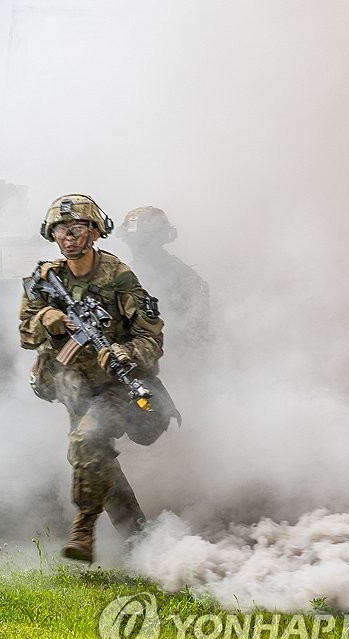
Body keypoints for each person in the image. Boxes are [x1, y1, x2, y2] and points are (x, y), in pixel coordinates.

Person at [19, 194, 169, 563]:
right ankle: (140, 541)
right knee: (92, 457)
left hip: (117, 384)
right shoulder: (45, 279)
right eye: (60, 230)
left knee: (87, 442)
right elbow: (25, 334)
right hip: (75, 388)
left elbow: (152, 338)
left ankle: (83, 530)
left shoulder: (118, 278)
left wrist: (125, 352)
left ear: (95, 232)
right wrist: (45, 320)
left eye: (76, 229)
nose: (68, 237)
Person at [116, 206, 211, 348]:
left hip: (173, 353)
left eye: (143, 241)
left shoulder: (182, 277)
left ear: (160, 238)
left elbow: (196, 330)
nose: (136, 247)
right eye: (132, 240)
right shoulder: (121, 274)